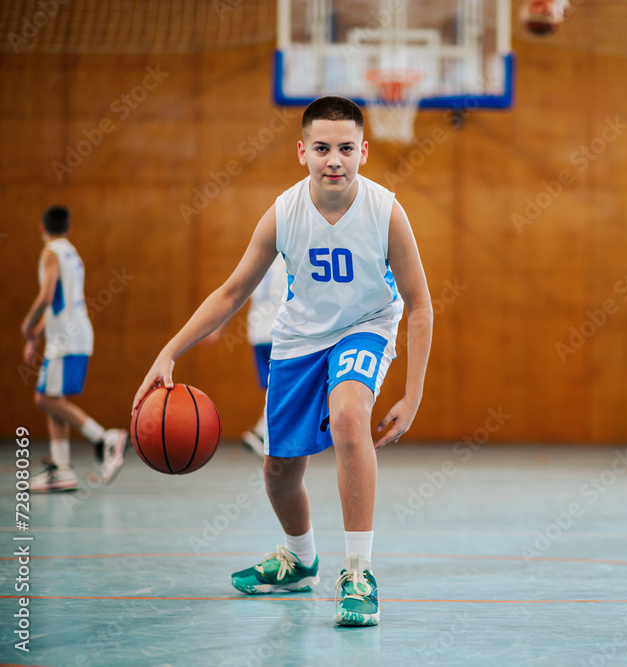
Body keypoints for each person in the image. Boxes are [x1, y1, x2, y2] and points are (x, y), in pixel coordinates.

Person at [132, 96, 433, 627]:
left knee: (347, 416)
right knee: (278, 471)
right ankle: (300, 559)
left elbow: (420, 306)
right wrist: (168, 351)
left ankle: (358, 571)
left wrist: (412, 396)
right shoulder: (284, 212)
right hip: (298, 339)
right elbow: (231, 292)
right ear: (302, 151)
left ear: (364, 151)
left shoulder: (387, 211)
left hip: (365, 327)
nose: (333, 159)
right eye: (322, 148)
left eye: (345, 148)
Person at [22, 205, 128, 493]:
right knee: (53, 397)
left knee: (44, 398)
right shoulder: (72, 254)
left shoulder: (50, 253)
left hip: (65, 339)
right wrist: (37, 336)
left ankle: (105, 438)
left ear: (41, 228)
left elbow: (46, 297)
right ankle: (63, 470)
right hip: (73, 334)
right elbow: (60, 300)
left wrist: (26, 327)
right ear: (69, 229)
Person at [240, 254, 288, 458]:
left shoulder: (258, 258)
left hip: (257, 332)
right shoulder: (289, 253)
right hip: (280, 331)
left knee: (276, 386)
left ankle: (267, 432)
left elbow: (238, 290)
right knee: (283, 387)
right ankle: (264, 433)